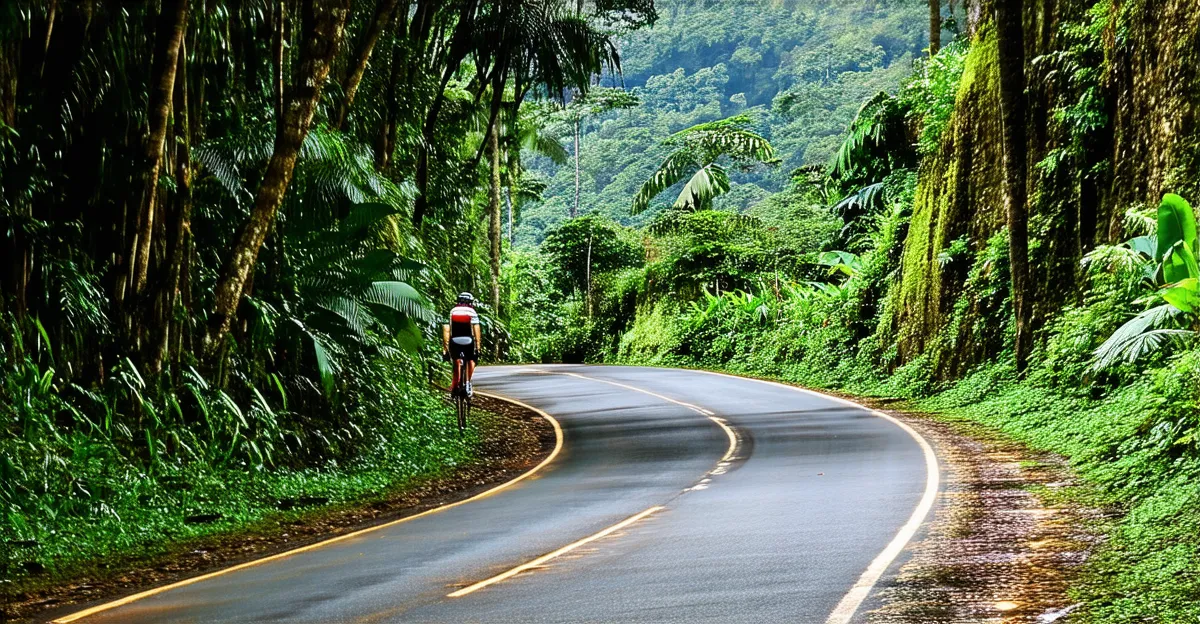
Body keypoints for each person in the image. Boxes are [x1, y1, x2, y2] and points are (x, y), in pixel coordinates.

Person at [443, 292, 481, 397]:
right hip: (468, 341)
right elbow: (476, 330)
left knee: (456, 360)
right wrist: (478, 347)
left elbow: (447, 330)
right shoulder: (472, 312)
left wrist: (445, 348)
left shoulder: (452, 311)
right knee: (471, 360)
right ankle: (468, 383)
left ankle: (455, 386)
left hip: (454, 341)